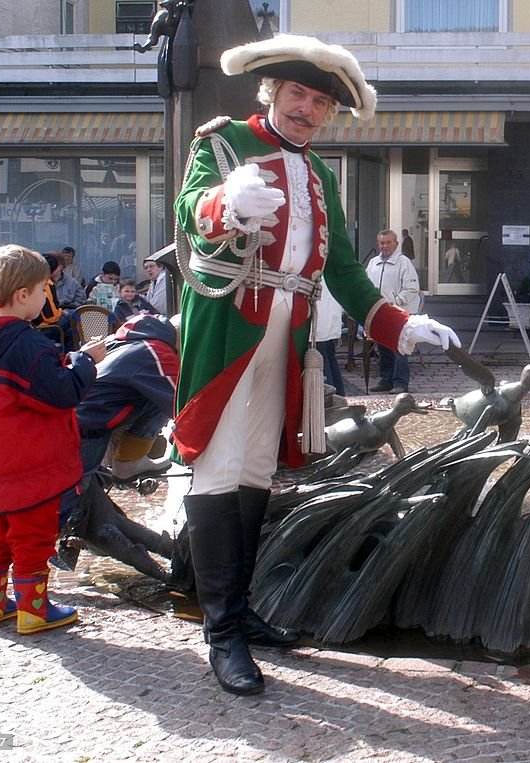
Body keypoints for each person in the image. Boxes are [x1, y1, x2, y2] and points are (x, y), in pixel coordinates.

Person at [172, 34, 459, 696]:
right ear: (271, 92)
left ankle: (238, 611)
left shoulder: (323, 175)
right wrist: (227, 204)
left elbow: (347, 273)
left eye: (321, 101)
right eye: (297, 93)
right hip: (227, 328)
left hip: (291, 335)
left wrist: (400, 325)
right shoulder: (221, 143)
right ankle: (221, 634)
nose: (307, 109)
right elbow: (193, 212)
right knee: (218, 468)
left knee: (254, 471)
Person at [0, 244, 105, 635]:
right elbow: (63, 392)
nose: (47, 296)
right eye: (44, 289)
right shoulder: (26, 343)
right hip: (28, 468)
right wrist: (86, 361)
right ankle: (34, 610)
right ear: (23, 295)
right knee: (32, 537)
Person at [75, 313, 179, 485]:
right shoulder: (155, 351)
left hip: (78, 413)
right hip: (87, 426)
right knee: (74, 493)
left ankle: (128, 463)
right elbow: (181, 404)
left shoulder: (123, 340)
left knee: (155, 396)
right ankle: (125, 465)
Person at [365, 229, 420, 394]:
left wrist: (395, 303)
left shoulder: (404, 262)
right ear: (378, 244)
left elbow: (412, 289)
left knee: (399, 349)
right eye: (382, 243)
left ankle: (401, 383)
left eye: (389, 242)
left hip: (398, 313)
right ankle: (386, 380)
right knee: (383, 349)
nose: (385, 246)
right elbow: (367, 286)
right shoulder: (373, 263)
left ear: (396, 243)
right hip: (380, 313)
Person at [33, 254, 80, 354]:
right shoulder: (47, 284)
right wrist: (62, 312)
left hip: (34, 325)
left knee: (71, 331)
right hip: (44, 327)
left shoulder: (33, 281)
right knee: (75, 318)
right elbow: (50, 316)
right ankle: (72, 356)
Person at [315, 279, 346, 396]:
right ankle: (339, 395)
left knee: (323, 361)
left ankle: (330, 397)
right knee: (329, 357)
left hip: (320, 321)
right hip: (327, 320)